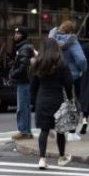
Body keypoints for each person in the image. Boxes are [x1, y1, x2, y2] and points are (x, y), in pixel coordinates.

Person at [30, 38, 73, 169]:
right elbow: (68, 83)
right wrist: (70, 99)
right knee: (60, 130)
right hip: (57, 99)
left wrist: (34, 101)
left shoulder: (37, 64)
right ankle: (61, 157)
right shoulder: (61, 64)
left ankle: (42, 159)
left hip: (42, 98)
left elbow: (33, 86)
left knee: (44, 130)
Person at [49, 21, 87, 141]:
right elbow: (81, 59)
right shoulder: (72, 41)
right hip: (72, 75)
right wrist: (82, 70)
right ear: (71, 30)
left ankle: (53, 127)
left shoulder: (52, 40)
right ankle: (71, 132)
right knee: (72, 103)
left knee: (56, 102)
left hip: (54, 74)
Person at [9, 27, 35, 140]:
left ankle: (23, 131)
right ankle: (27, 131)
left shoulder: (24, 48)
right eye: (15, 33)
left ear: (23, 35)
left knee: (22, 107)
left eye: (18, 33)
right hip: (25, 81)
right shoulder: (23, 47)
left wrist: (13, 74)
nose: (15, 35)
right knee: (25, 107)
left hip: (24, 81)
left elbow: (23, 67)